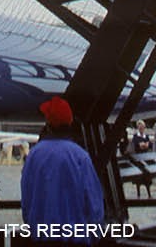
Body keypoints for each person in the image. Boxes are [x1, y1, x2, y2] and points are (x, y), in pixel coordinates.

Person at [20, 97, 105, 240]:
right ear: (70, 123)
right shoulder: (81, 157)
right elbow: (95, 207)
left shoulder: (34, 156)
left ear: (48, 124)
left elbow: (27, 202)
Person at [127, 120, 153, 198]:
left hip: (145, 158)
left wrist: (147, 145)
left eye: (142, 127)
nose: (141, 128)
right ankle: (138, 194)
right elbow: (138, 145)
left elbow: (149, 145)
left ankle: (149, 194)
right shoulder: (135, 136)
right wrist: (144, 145)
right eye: (139, 127)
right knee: (139, 178)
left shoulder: (146, 136)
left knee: (147, 177)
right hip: (138, 158)